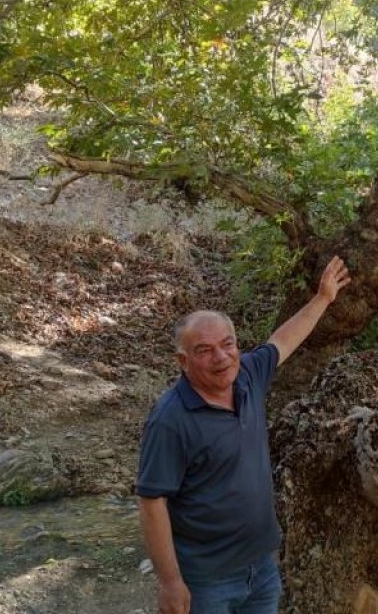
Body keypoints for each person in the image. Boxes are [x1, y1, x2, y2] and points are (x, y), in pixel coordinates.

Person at [136, 256, 351, 614]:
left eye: (228, 344)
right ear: (183, 361)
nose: (221, 357)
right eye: (204, 350)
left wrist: (323, 298)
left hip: (262, 568)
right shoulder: (170, 420)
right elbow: (152, 502)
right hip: (206, 581)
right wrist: (171, 583)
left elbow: (283, 340)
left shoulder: (247, 375)